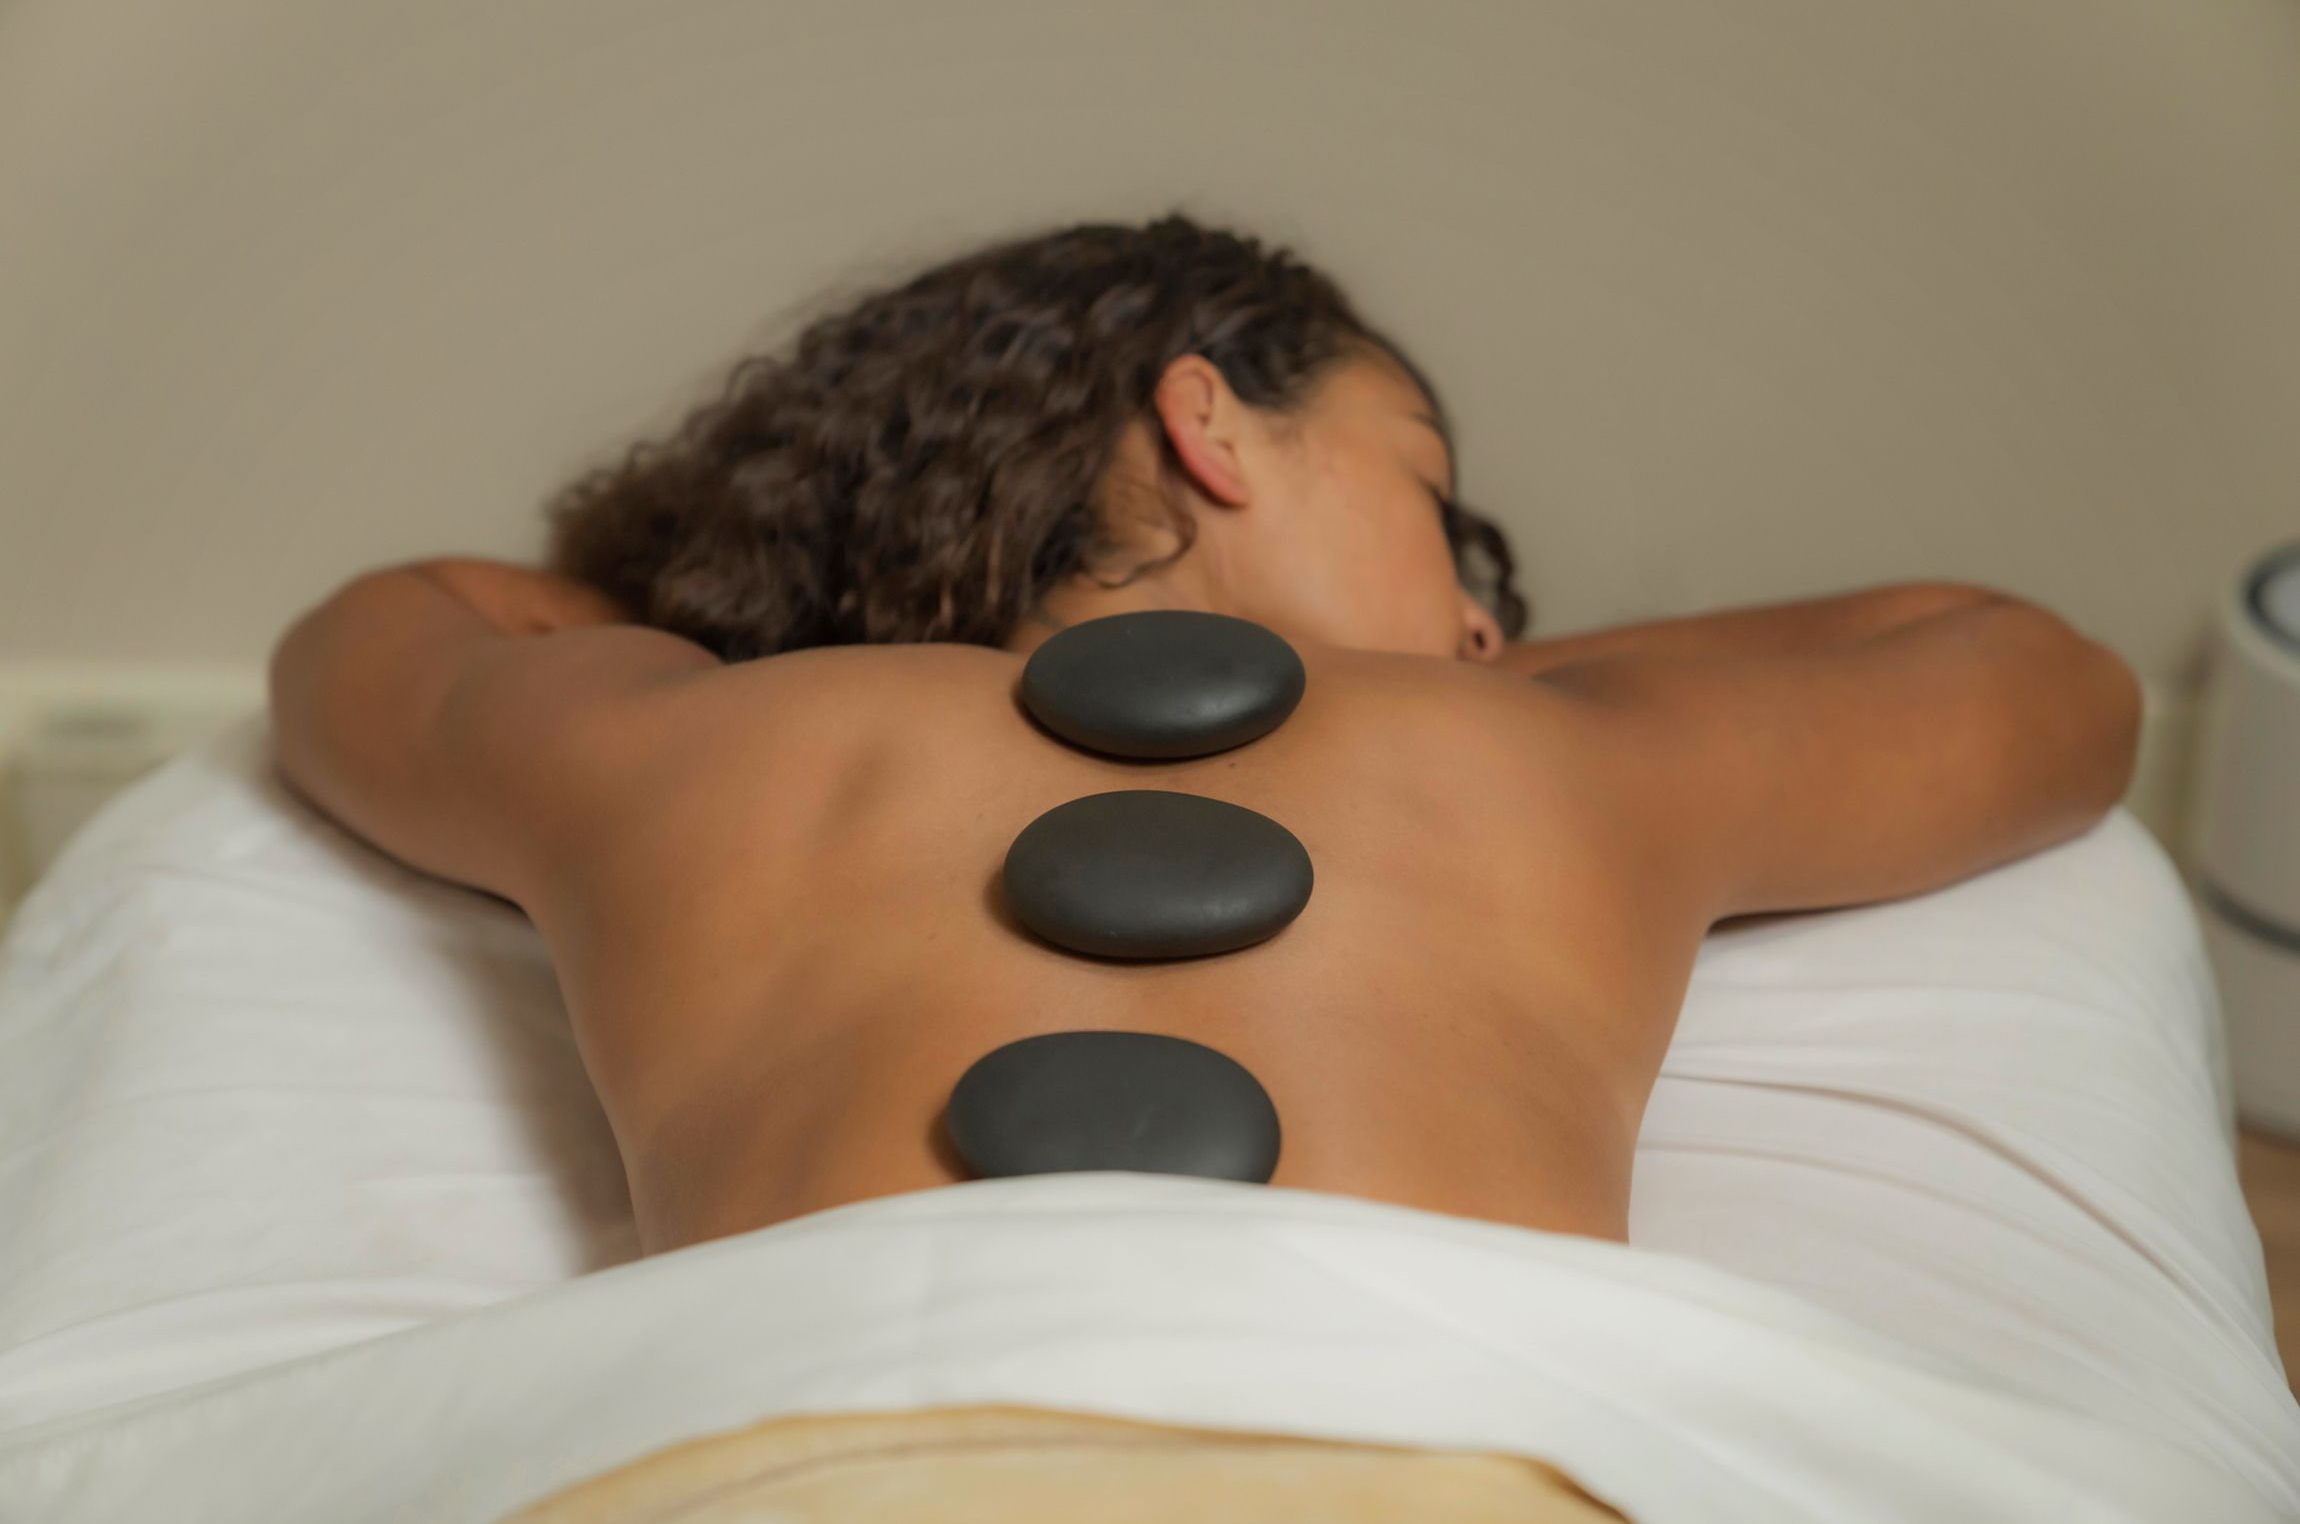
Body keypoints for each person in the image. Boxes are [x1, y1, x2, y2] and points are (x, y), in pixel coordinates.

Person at [266, 212, 2141, 1260]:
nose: (1492, 619)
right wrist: (1512, 690)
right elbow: (2041, 675)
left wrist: (760, 634)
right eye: (1442, 510)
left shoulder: (699, 752)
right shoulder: (1560, 760)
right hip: (1435, 1457)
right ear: (1212, 427)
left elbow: (390, 627)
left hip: (809, 1452)